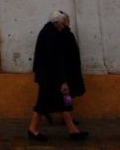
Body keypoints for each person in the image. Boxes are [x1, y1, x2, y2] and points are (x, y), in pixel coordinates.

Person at [27, 10, 88, 142]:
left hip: (48, 76)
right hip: (50, 77)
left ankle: (72, 131)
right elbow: (55, 60)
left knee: (59, 102)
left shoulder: (49, 32)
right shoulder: (52, 37)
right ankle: (32, 129)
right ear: (58, 23)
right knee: (43, 104)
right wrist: (63, 81)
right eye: (65, 23)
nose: (66, 26)